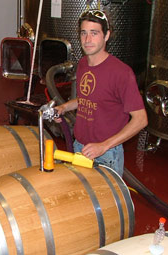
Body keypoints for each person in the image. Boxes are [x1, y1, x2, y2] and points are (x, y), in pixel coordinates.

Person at [55, 9, 148, 177]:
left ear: (106, 36)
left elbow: (141, 119)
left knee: (105, 203)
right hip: (80, 147)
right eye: (84, 33)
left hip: (106, 155)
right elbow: (86, 98)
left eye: (94, 33)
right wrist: (63, 107)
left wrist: (104, 146)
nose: (88, 40)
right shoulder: (83, 64)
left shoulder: (121, 73)